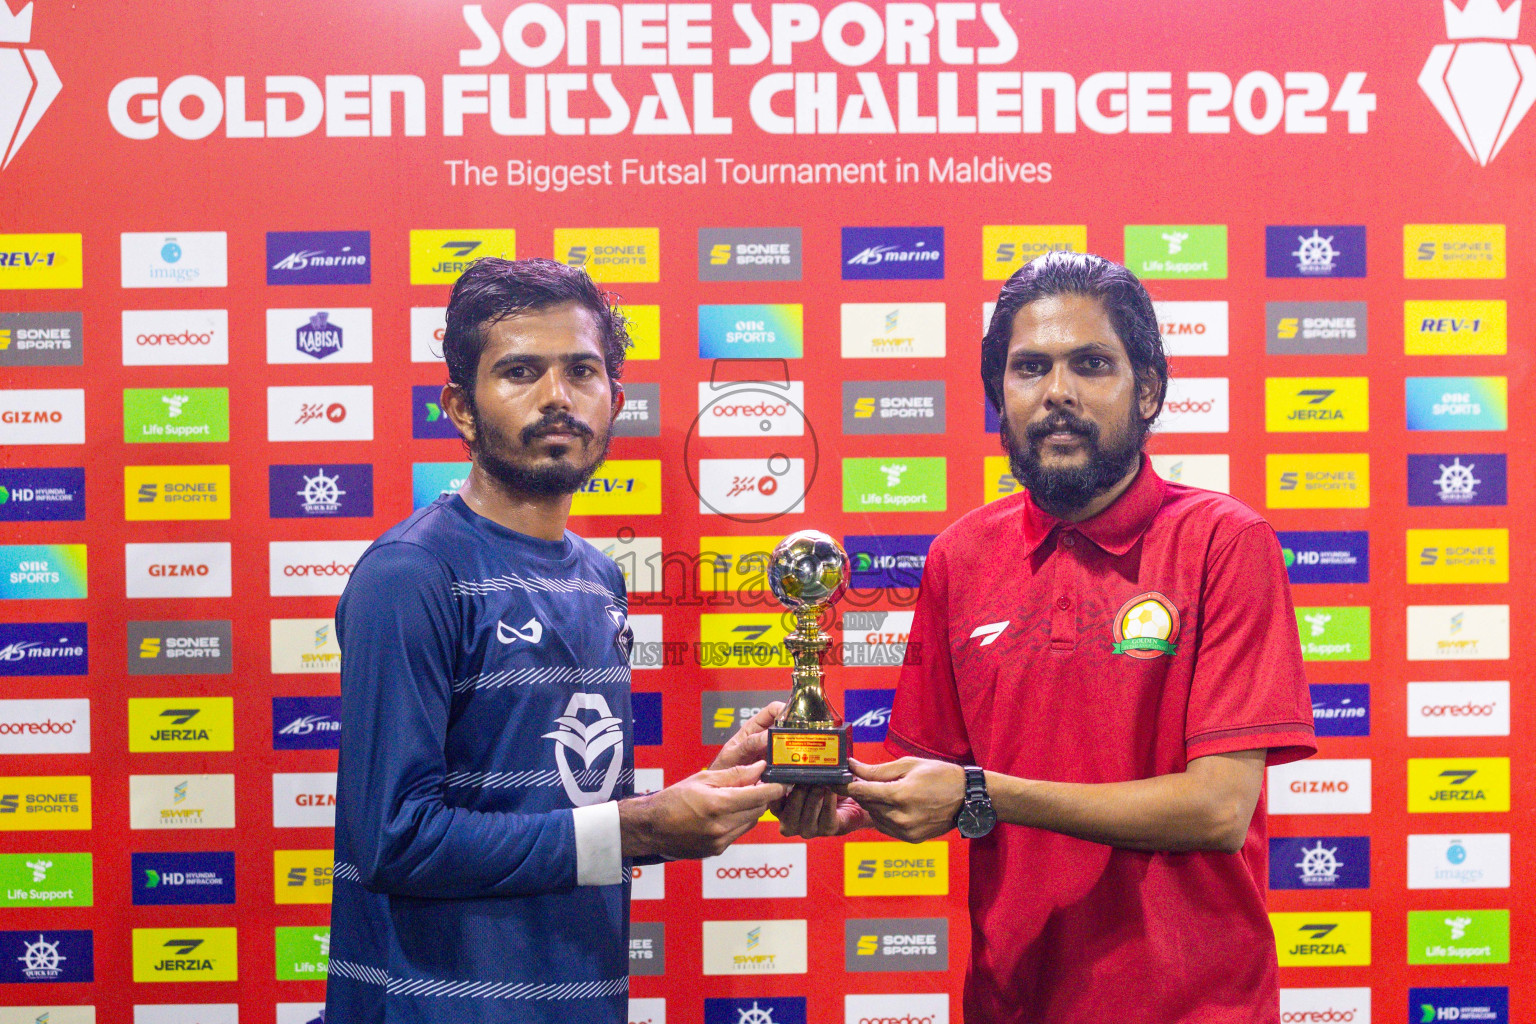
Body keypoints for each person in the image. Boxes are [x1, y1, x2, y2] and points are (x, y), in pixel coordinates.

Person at [778, 251, 1316, 1023]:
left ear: (1150, 390)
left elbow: (1217, 809)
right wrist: (840, 795)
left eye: (1091, 364)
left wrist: (978, 792)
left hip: (1197, 1007)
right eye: (1030, 368)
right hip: (1011, 1002)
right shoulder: (959, 556)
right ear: (1001, 395)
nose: (1057, 392)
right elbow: (936, 774)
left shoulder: (1225, 543)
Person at [326, 257, 785, 1024]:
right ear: (460, 408)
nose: (556, 398)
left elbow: (565, 806)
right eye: (519, 372)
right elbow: (395, 839)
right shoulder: (410, 574)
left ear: (616, 399)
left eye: (581, 371)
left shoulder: (599, 580)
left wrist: (698, 798)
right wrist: (641, 827)